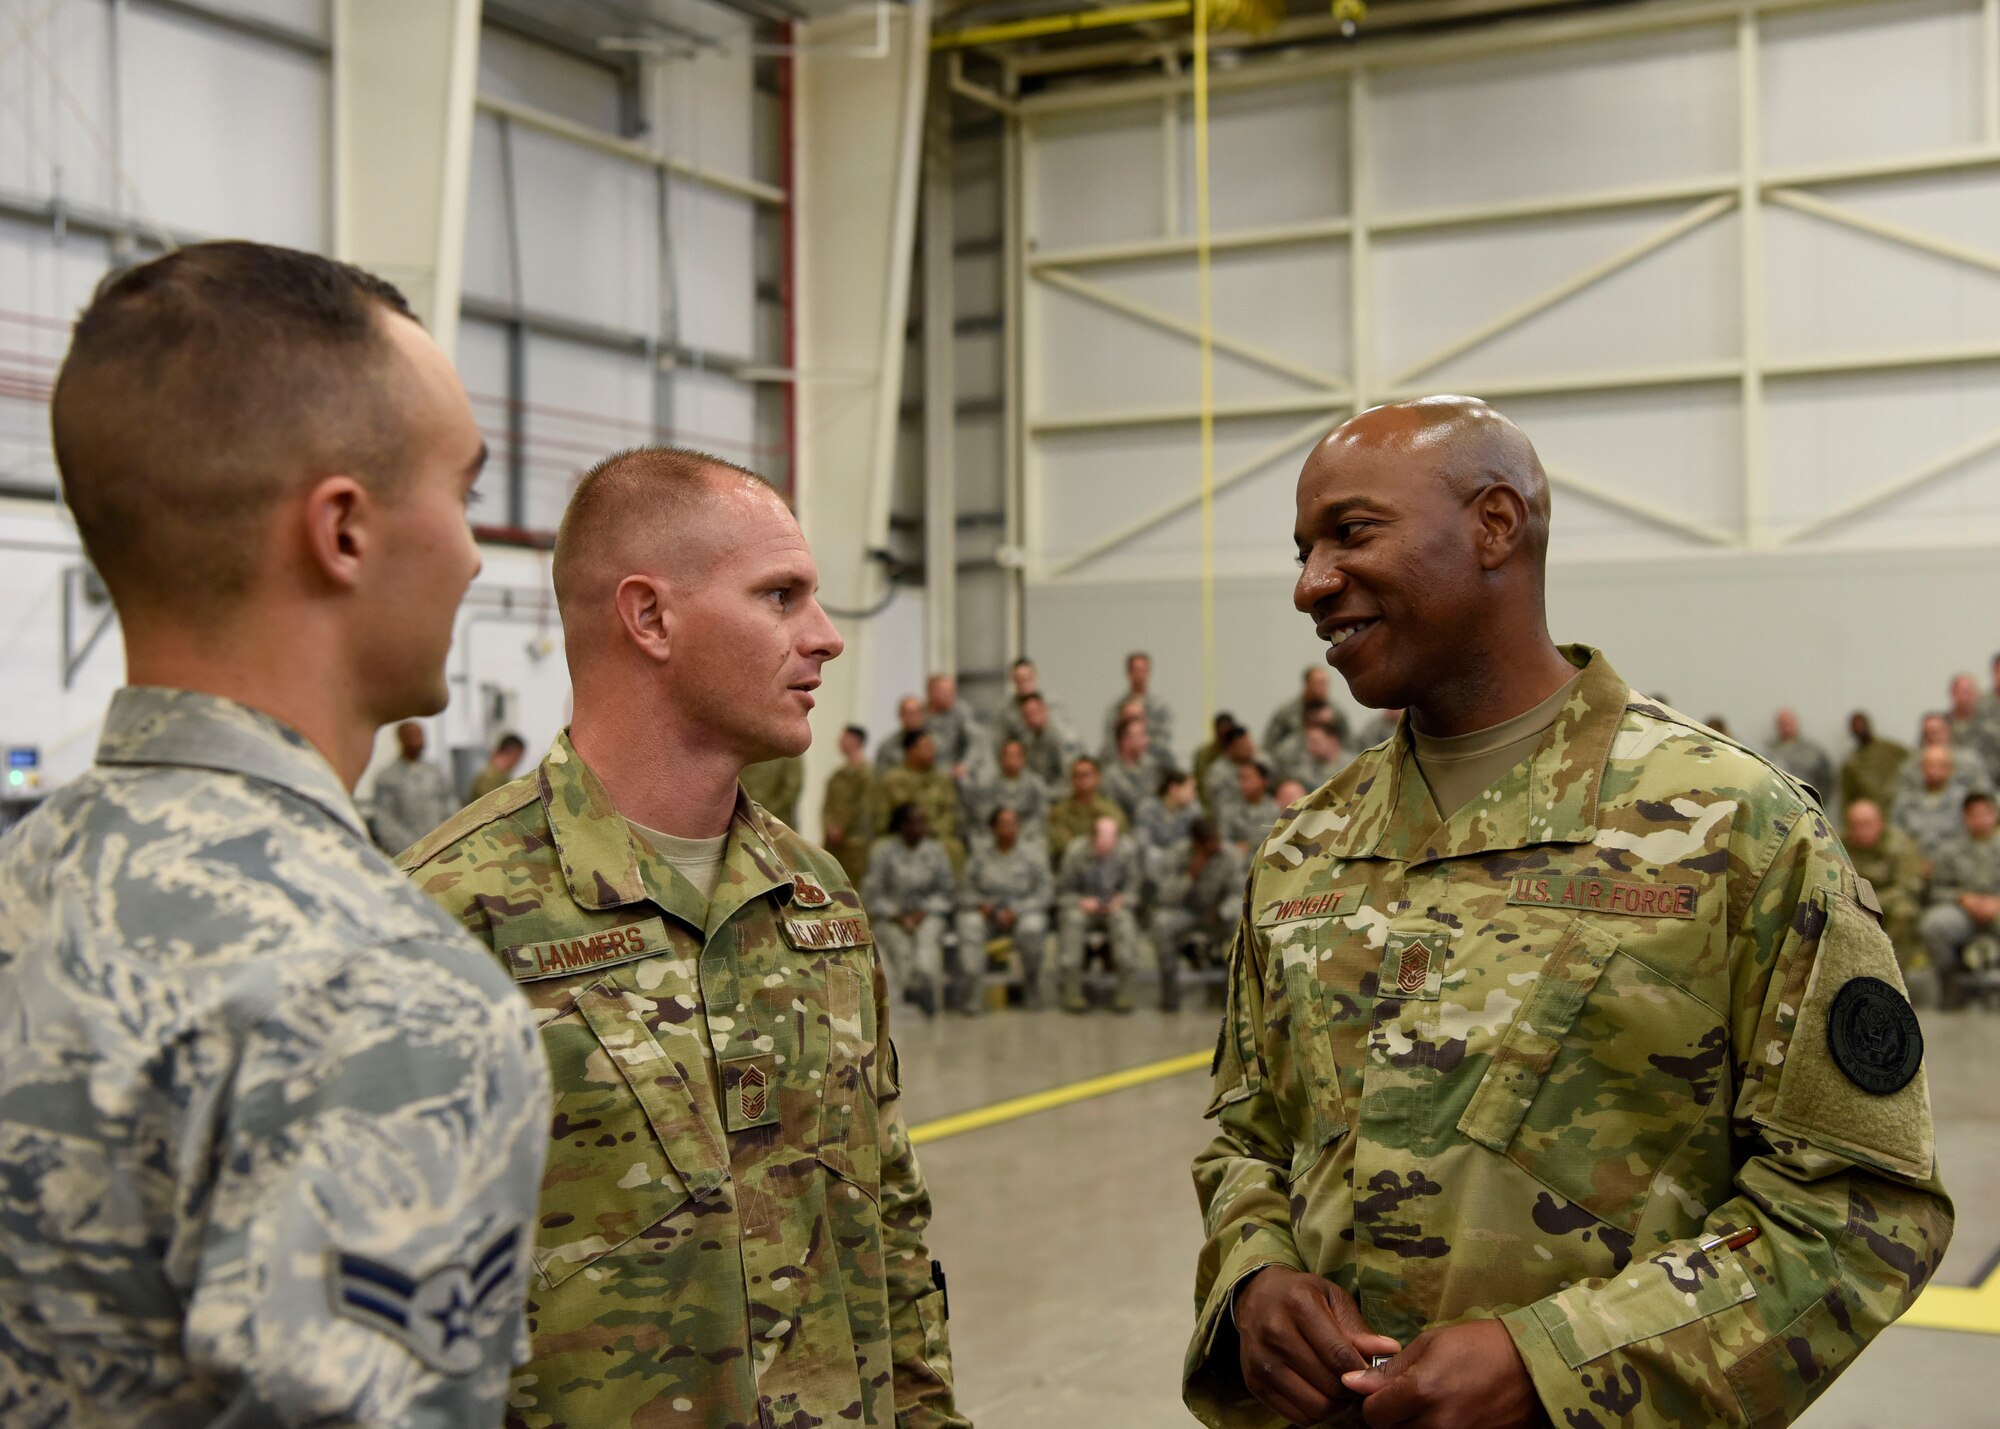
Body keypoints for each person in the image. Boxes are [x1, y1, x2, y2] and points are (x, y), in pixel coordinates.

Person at [1189, 396, 1948, 1429]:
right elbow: (1246, 1134)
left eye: (1349, 533)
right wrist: (1254, 1279)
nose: (1309, 584)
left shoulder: (1733, 827)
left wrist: (1557, 1365)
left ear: (1494, 525)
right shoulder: (1303, 849)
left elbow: (1859, 1207)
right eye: (1302, 548)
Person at [0, 241, 550, 1424]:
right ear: (342, 530)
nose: (470, 549)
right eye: (463, 491)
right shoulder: (388, 997)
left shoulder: (23, 885)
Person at [400, 448, 963, 1427]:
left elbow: (893, 1231)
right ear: (649, 617)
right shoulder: (451, 916)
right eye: (780, 596)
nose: (824, 637)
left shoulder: (815, 898)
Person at [864, 802, 959, 1017]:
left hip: (928, 915)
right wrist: (897, 915)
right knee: (901, 952)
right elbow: (872, 894)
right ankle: (912, 994)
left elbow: (947, 891)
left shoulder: (935, 851)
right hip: (891, 917)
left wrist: (922, 912)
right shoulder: (883, 853)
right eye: (917, 822)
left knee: (925, 954)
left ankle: (925, 993)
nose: (922, 827)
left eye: (923, 822)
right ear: (902, 826)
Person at [956, 805, 1054, 1012]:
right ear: (993, 828)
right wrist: (983, 906)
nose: (1008, 829)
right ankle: (973, 993)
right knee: (968, 925)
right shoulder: (979, 858)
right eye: (1003, 824)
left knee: (1033, 928)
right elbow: (965, 891)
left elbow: (1045, 891)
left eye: (1013, 824)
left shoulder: (1033, 855)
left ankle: (1032, 987)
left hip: (1022, 912)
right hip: (988, 913)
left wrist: (1018, 910)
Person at [1150, 818, 1245, 1012]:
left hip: (1218, 914)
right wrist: (1189, 876)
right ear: (1197, 843)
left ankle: (1233, 995)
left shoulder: (1230, 855)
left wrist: (1221, 911)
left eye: (1217, 839)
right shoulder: (1178, 854)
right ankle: (1170, 996)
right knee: (1161, 923)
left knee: (1240, 924)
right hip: (1186, 912)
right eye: (1210, 841)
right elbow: (1164, 897)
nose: (1216, 845)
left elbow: (1240, 894)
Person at [1920, 791, 2000, 1010]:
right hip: (1962, 911)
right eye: (1975, 814)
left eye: (1986, 814)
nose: (1981, 819)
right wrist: (1963, 898)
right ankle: (1952, 980)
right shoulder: (1949, 849)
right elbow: (1936, 890)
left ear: (1995, 815)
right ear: (1965, 817)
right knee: (1933, 926)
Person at [1055, 814, 1144, 1013]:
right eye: (1102, 843)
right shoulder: (1075, 853)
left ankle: (1126, 994)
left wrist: (1122, 900)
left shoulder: (1127, 852)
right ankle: (1072, 992)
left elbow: (1134, 891)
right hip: (1084, 907)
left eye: (1112, 843)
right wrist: (1081, 901)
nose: (1107, 848)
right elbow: (1062, 893)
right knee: (1072, 921)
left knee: (1124, 924)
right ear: (1093, 838)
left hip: (1115, 907)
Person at [1845, 798, 1926, 977]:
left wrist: (1872, 903)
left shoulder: (1900, 845)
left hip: (1890, 903)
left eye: (1867, 824)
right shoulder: (1841, 844)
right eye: (1855, 825)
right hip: (1853, 903)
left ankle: (1894, 974)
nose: (1861, 830)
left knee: (1905, 912)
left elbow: (1907, 886)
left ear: (1880, 823)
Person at [875, 729, 965, 870]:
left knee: (954, 848)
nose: (932, 751)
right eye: (926, 747)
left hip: (935, 836)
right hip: (901, 838)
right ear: (911, 750)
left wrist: (933, 830)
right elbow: (882, 815)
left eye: (932, 747)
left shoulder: (942, 780)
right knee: (879, 848)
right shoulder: (893, 779)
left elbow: (949, 812)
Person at [371, 717, 457, 852]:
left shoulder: (435, 772)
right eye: (413, 735)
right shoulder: (387, 777)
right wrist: (412, 850)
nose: (419, 740)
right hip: (406, 852)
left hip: (440, 848)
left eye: (421, 735)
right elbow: (385, 822)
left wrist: (448, 839)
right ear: (402, 739)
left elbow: (450, 806)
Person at [964, 735, 1051, 849]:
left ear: (1023, 758)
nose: (1012, 759)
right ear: (1000, 759)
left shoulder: (1036, 784)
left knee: (1040, 844)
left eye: (1016, 755)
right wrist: (1001, 830)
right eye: (1008, 755)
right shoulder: (987, 784)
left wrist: (1021, 832)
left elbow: (1041, 813)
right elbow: (983, 813)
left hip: (1026, 833)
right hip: (995, 833)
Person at [1896, 744, 1973, 863]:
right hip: (1911, 864)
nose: (1934, 770)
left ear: (1951, 769)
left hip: (1952, 865)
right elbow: (1896, 833)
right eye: (1929, 765)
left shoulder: (1963, 800)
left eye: (1941, 765)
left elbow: (1968, 837)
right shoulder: (1906, 799)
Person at [1047, 754, 1128, 865]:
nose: (1081, 780)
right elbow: (1057, 841)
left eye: (1085, 775)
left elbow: (1120, 841)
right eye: (1076, 775)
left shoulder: (1111, 811)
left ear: (1098, 777)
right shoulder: (1059, 811)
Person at [822, 723, 877, 881]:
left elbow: (863, 807)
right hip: (833, 843)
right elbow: (828, 805)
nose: (840, 741)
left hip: (854, 844)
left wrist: (842, 827)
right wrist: (829, 826)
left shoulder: (866, 773)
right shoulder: (838, 774)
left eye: (844, 737)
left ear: (856, 740)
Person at [1264, 665, 1350, 754]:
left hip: (1332, 764)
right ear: (1307, 684)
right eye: (1318, 683)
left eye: (1325, 684)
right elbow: (1270, 745)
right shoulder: (1287, 713)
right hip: (1293, 761)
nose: (1322, 688)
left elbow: (1349, 746)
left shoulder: (1337, 714)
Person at [1102, 650, 1174, 755]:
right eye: (1136, 670)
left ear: (1148, 672)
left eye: (1143, 670)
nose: (1140, 675)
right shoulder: (1117, 708)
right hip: (1121, 763)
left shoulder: (1160, 708)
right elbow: (1110, 739)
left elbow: (1164, 740)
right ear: (1128, 672)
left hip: (1153, 764)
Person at [1840, 710, 1908, 814]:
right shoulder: (1851, 762)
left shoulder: (1889, 748)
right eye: (1855, 727)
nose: (1858, 729)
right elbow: (1848, 796)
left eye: (1860, 725)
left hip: (1894, 806)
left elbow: (1912, 759)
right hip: (1869, 812)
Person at [1101, 713, 1167, 820]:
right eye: (1140, 735)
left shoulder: (1152, 766)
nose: (1147, 739)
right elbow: (1111, 810)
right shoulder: (1112, 775)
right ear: (1125, 740)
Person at [924, 671, 985, 780]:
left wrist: (965, 766)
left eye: (952, 690)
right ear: (930, 692)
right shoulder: (919, 715)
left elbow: (975, 743)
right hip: (927, 772)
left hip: (955, 770)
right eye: (945, 691)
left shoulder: (961, 712)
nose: (951, 694)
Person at [1766, 706, 1834, 798]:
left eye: (1789, 723)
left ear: (1796, 723)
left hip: (1807, 803)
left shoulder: (1813, 751)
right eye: (1782, 723)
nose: (1786, 727)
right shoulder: (1768, 751)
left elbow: (1827, 779)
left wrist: (1818, 801)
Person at [1015, 691, 1077, 789]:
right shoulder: (1028, 740)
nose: (1031, 718)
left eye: (1034, 712)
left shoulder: (1060, 737)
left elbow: (1068, 776)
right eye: (1026, 715)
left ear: (1044, 710)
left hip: (1059, 795)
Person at [1218, 758, 1280, 853]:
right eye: (1241, 779)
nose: (1243, 784)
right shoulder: (1229, 809)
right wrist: (1235, 848)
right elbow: (1222, 841)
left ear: (1263, 781)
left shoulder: (1275, 808)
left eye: (1248, 778)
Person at [1283, 713, 1350, 792]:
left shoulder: (1352, 765)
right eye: (1308, 742)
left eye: (1315, 741)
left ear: (1333, 740)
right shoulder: (1301, 770)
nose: (1309, 747)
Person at [1192, 712, 1242, 814]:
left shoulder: (1241, 752)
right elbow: (1201, 784)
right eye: (1221, 732)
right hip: (1212, 805)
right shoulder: (1204, 754)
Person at [739, 752, 805, 825]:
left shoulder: (787, 749)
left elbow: (792, 788)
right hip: (747, 821)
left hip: (778, 823)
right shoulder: (746, 748)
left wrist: (764, 812)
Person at [465, 729, 528, 804]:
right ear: (513, 754)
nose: (518, 762)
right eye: (518, 757)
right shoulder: (491, 778)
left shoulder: (498, 776)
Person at [875, 694, 928, 770]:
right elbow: (880, 774)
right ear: (900, 715)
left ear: (923, 714)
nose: (912, 717)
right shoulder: (888, 746)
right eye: (907, 713)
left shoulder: (933, 743)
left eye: (916, 712)